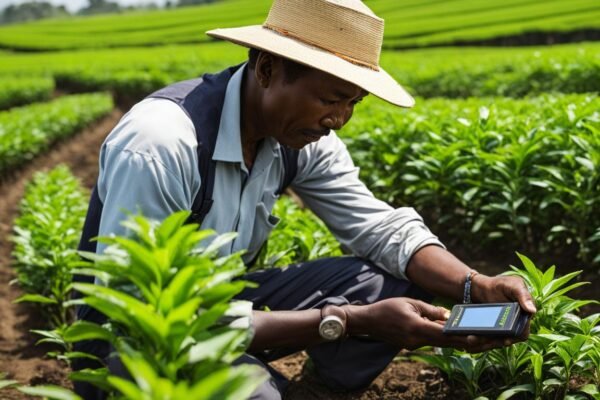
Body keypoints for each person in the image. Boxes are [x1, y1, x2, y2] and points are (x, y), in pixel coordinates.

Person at [75, 0, 537, 398]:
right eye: (332, 99)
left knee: (381, 282)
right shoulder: (162, 141)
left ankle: (318, 390)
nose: (340, 119)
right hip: (136, 340)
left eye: (353, 102)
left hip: (219, 303)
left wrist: (474, 285)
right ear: (267, 68)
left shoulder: (301, 138)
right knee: (255, 392)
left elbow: (377, 228)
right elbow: (139, 313)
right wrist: (347, 321)